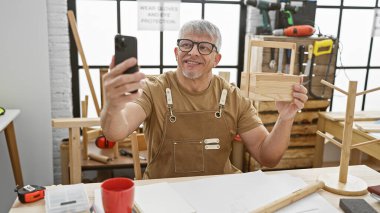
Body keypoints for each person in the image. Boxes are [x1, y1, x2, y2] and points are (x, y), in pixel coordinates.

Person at [101, 20, 308, 179]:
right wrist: (112, 105)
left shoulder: (233, 97)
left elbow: (268, 157)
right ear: (176, 52)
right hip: (163, 191)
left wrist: (285, 118)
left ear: (216, 59)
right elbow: (115, 131)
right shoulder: (154, 89)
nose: (192, 52)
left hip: (219, 190)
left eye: (204, 47)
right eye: (186, 45)